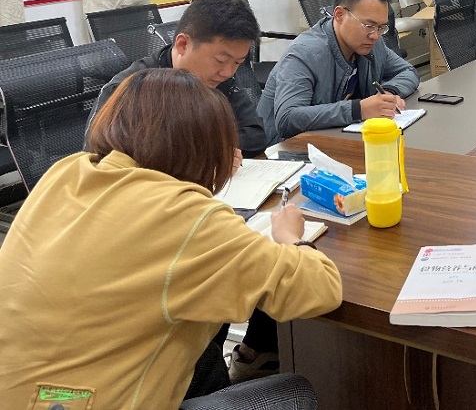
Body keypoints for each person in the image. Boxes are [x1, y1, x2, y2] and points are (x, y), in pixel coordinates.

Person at [0, 70, 342, 410]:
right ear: (205, 146)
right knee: (294, 393)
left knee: (200, 343)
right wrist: (291, 238)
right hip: (90, 402)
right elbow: (319, 290)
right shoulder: (187, 217)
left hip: (21, 390)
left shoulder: (67, 171)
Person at [88, 0, 267, 157]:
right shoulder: (128, 89)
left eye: (237, 63)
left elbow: (255, 135)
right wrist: (201, 153)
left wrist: (207, 151)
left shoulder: (220, 80)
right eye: (220, 60)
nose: (228, 72)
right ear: (183, 44)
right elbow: (99, 160)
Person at [258, 0, 419, 145]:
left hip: (337, 139)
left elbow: (408, 71)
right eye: (368, 25)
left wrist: (388, 94)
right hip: (286, 149)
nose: (375, 35)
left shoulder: (372, 44)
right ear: (339, 15)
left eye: (381, 28)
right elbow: (287, 119)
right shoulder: (304, 54)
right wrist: (358, 110)